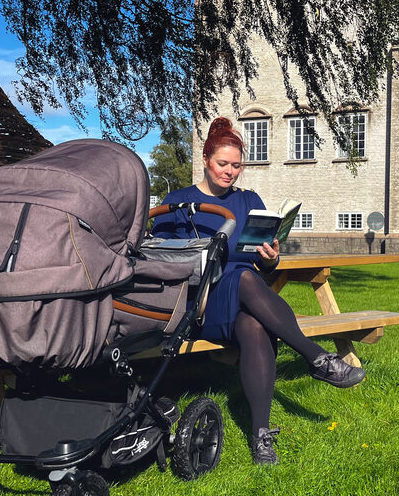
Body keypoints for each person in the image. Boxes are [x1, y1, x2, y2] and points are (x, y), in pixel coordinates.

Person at [152, 117, 366, 465]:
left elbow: (260, 264)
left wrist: (270, 258)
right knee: (245, 279)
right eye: (223, 164)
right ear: (206, 159)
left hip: (243, 300)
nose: (230, 172)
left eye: (237, 166)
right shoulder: (179, 202)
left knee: (254, 324)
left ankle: (261, 437)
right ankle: (317, 357)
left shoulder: (248, 200)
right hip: (201, 303)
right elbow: (161, 261)